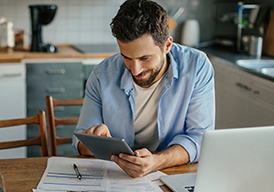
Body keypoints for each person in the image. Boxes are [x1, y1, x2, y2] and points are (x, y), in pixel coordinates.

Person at [73, 0, 215, 178]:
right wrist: (94, 141)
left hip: (171, 174)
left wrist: (156, 161)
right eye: (126, 57)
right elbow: (79, 142)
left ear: (167, 46)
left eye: (145, 58)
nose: (135, 69)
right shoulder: (102, 75)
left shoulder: (197, 67)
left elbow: (201, 139)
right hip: (116, 176)